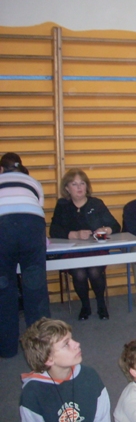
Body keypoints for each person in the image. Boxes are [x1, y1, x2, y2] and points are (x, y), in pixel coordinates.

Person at [50, 168, 121, 321]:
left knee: (95, 271)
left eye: (82, 183)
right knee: (79, 272)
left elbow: (116, 226)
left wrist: (105, 230)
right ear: (67, 188)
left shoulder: (96, 203)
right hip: (72, 251)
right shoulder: (62, 205)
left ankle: (101, 304)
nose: (79, 187)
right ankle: (85, 305)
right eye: (74, 184)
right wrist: (74, 234)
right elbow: (54, 230)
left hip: (95, 249)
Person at [0, 152, 51, 359]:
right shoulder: (33, 182)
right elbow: (37, 208)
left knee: (4, 289)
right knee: (35, 288)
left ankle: (7, 348)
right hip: (32, 226)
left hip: (3, 229)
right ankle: (42, 349)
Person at [19, 317, 111, 421]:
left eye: (72, 338)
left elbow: (103, 417)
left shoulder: (90, 376)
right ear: (48, 359)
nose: (77, 344)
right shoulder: (32, 394)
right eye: (66, 344)